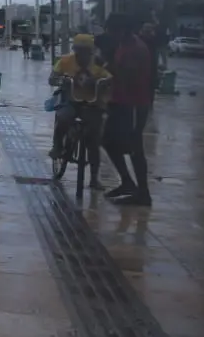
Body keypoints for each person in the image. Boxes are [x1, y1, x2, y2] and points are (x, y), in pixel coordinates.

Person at [101, 13, 155, 206]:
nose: (110, 35)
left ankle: (142, 192)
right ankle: (127, 182)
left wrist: (108, 76)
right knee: (108, 140)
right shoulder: (124, 45)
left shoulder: (135, 49)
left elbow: (127, 77)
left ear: (121, 30)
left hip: (132, 104)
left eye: (111, 31)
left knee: (134, 147)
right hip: (121, 102)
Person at [47, 33, 111, 189]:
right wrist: (60, 79)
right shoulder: (65, 61)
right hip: (70, 101)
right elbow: (52, 77)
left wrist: (103, 83)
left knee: (94, 139)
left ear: (91, 51)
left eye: (86, 51)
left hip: (93, 103)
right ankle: (57, 146)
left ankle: (94, 178)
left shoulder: (99, 64)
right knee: (63, 117)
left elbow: (109, 78)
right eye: (79, 51)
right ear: (74, 50)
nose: (82, 54)